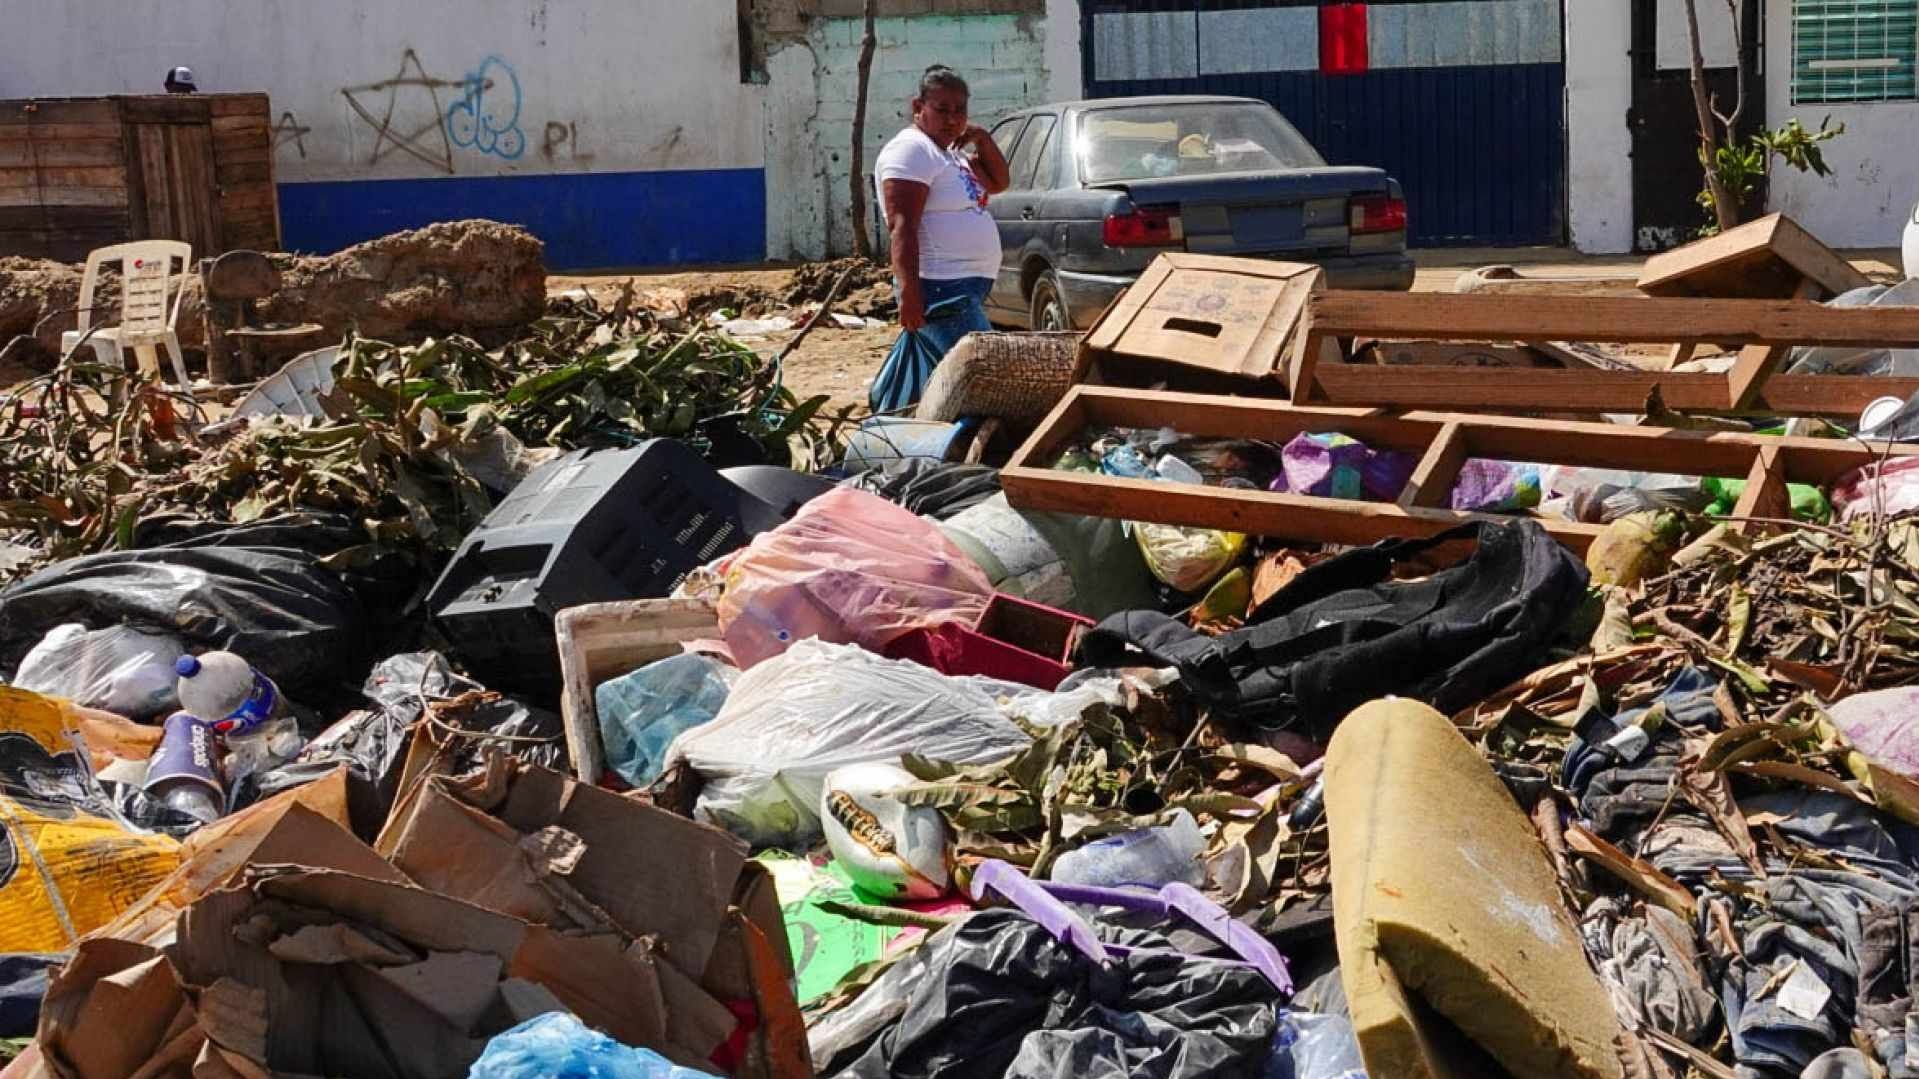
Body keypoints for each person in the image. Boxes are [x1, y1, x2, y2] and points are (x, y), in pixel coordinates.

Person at [875, 66, 1010, 345]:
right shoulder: (912, 150)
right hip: (940, 287)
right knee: (984, 367)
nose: (952, 119)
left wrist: (981, 138)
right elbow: (902, 227)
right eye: (942, 109)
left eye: (960, 110)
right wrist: (910, 293)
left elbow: (998, 182)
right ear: (918, 106)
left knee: (946, 372)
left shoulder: (950, 153)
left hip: (962, 286)